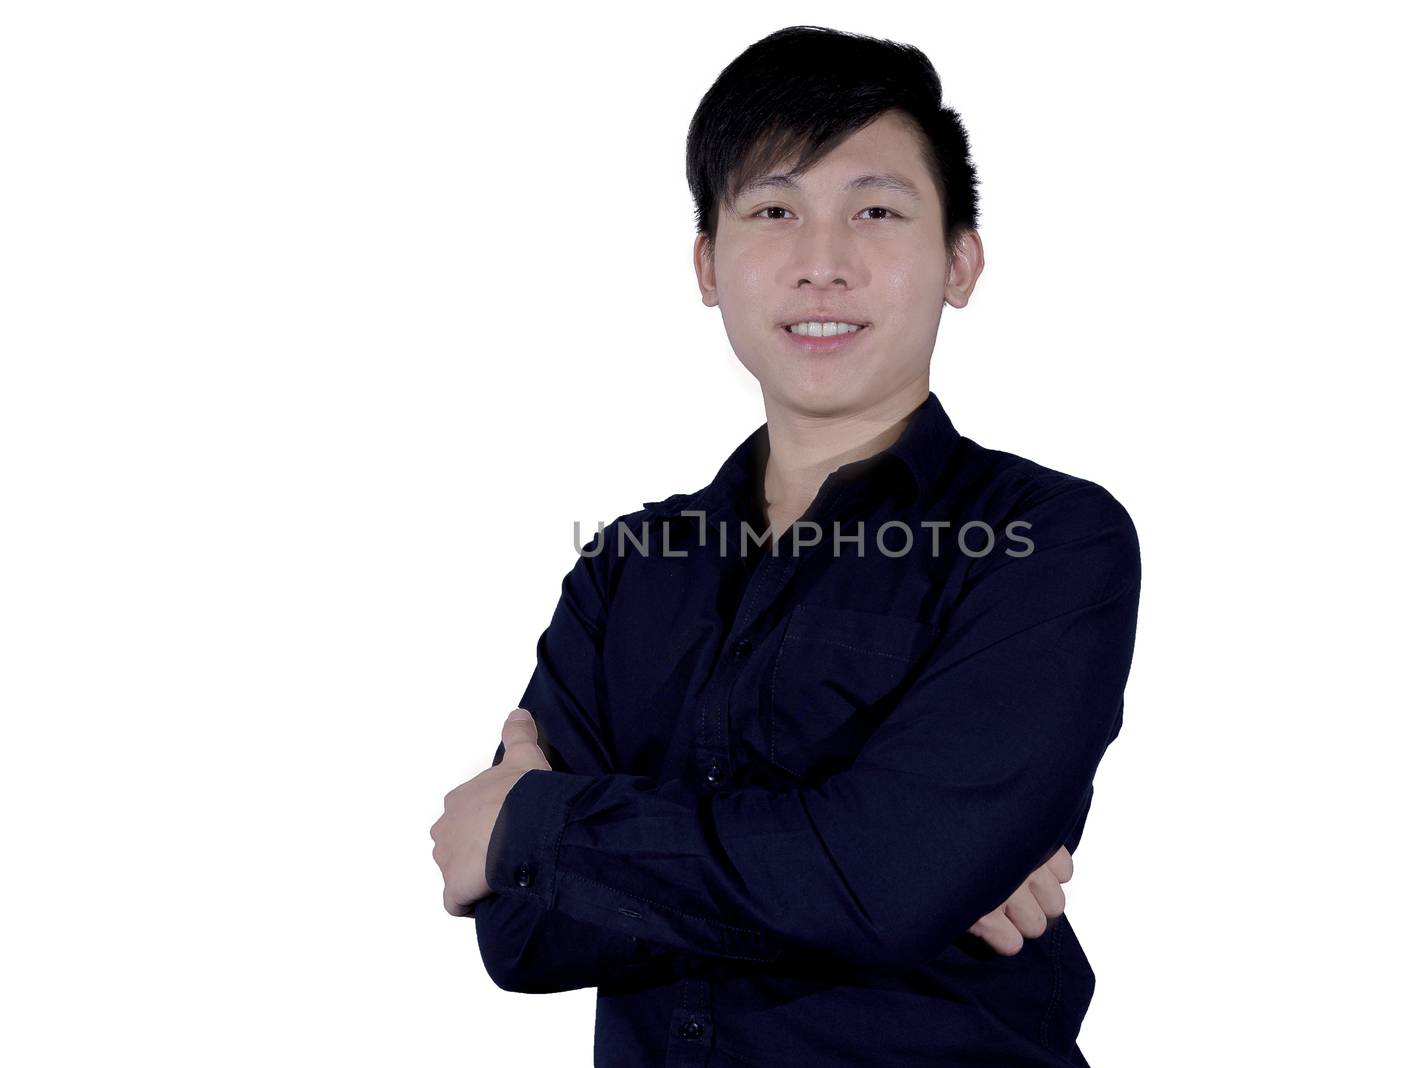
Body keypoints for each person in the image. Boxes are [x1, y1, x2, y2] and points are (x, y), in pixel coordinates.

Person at [430, 25, 1141, 1067]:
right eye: (773, 210)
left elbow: (878, 882)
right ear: (709, 265)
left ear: (960, 260)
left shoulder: (1046, 540)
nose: (821, 262)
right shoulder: (626, 568)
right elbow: (521, 932)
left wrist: (540, 829)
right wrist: (894, 861)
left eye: (876, 211)